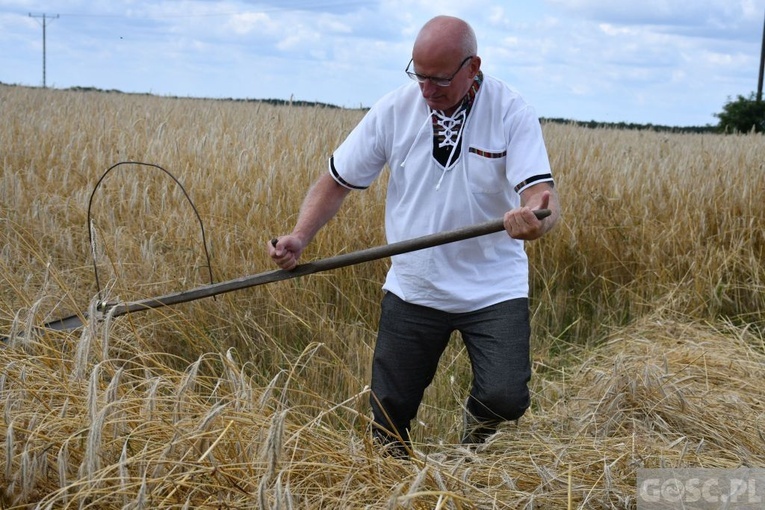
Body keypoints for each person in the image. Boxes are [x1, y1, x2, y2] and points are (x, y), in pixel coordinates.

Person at [268, 15, 560, 457]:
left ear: (472, 66)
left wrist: (536, 219)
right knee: (388, 411)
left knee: (504, 396)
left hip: (492, 287)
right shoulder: (395, 109)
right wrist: (300, 236)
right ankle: (392, 483)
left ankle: (471, 459)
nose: (426, 90)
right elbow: (337, 180)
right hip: (415, 284)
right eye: (418, 76)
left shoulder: (510, 110)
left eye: (439, 80)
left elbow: (543, 195)